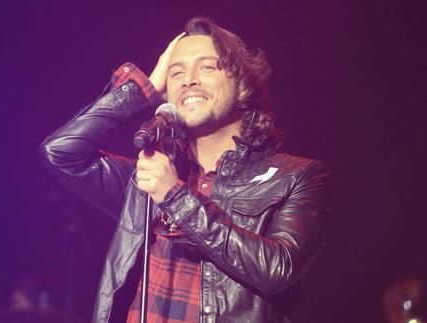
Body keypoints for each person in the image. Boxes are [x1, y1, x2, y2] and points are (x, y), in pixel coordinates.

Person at [40, 16, 331, 323]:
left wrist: (175, 196)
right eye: (176, 72)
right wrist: (145, 89)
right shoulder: (148, 179)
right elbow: (61, 152)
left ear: (243, 85)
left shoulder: (297, 176)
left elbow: (277, 268)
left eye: (207, 67)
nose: (188, 79)